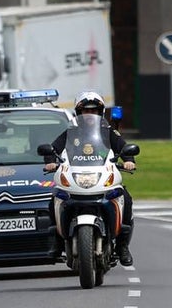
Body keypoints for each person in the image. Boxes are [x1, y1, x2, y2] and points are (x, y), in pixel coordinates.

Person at [44, 90, 137, 266]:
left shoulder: (108, 132)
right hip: (75, 176)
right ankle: (57, 242)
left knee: (125, 198)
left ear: (100, 112)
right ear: (79, 113)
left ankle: (122, 247)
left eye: (94, 110)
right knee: (55, 197)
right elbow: (53, 148)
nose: (89, 114)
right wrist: (50, 161)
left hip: (101, 175)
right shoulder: (71, 132)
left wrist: (128, 161)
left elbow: (123, 147)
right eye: (86, 111)